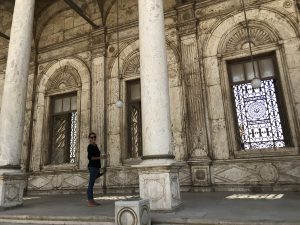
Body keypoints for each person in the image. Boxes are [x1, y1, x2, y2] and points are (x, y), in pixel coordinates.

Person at [87, 132, 106, 207]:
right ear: (89, 139)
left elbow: (98, 155)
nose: (93, 138)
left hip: (96, 167)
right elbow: (90, 157)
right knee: (90, 185)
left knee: (92, 184)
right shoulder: (90, 146)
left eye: (94, 137)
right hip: (92, 167)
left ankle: (92, 201)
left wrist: (102, 156)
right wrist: (100, 158)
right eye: (91, 137)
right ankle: (90, 201)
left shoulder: (96, 146)